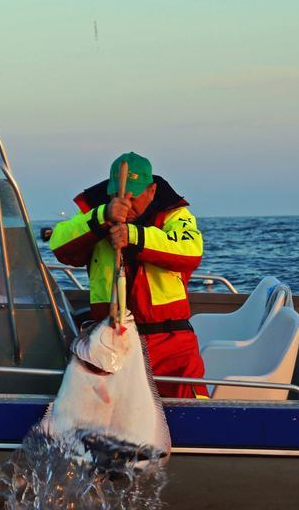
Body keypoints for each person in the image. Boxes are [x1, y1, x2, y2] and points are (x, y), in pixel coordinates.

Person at [49, 152, 208, 399]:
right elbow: (60, 244)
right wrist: (103, 216)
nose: (126, 202)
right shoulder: (96, 213)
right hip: (110, 345)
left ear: (152, 191)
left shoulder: (175, 216)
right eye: (117, 195)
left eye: (134, 196)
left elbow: (190, 252)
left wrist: (134, 236)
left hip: (169, 345)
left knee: (191, 413)